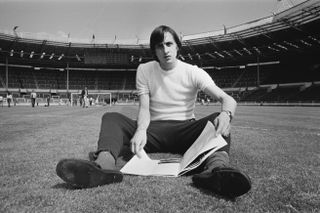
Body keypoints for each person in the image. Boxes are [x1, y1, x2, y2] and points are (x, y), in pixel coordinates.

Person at [56, 25, 251, 199]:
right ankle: (103, 167)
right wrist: (141, 130)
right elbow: (145, 107)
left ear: (177, 46)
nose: (165, 50)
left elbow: (228, 99)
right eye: (159, 46)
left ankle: (218, 172)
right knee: (111, 117)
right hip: (153, 130)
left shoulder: (193, 72)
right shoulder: (144, 70)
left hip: (186, 130)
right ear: (154, 51)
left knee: (218, 118)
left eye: (169, 44)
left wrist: (227, 114)